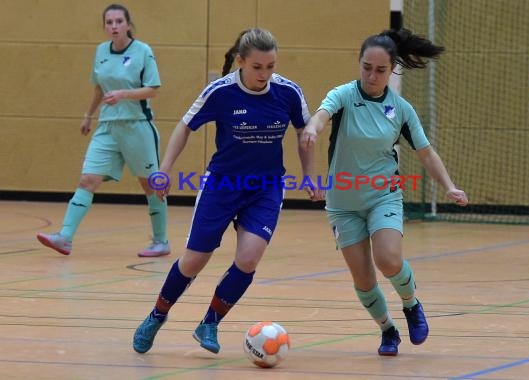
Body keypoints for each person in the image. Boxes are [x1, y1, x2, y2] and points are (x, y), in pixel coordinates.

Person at [132, 28, 317, 355]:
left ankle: (210, 322)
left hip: (265, 188)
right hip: (222, 185)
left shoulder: (288, 93)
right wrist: (165, 168)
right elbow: (184, 127)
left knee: (248, 258)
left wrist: (308, 176)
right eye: (257, 67)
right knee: (193, 261)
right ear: (241, 62)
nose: (264, 74)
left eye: (270, 66)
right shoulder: (220, 92)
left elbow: (305, 133)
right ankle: (157, 315)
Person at [301, 29, 469, 356]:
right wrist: (311, 128)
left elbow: (426, 153)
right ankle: (387, 330)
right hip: (343, 203)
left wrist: (448, 186)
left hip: (383, 195)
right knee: (363, 280)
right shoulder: (345, 95)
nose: (372, 75)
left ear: (392, 69)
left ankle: (411, 304)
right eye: (366, 67)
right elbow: (322, 115)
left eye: (380, 70)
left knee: (388, 259)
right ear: (359, 64)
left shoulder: (401, 109)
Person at [36, 4, 170, 258]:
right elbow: (98, 87)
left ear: (128, 24)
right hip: (107, 127)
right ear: (105, 26)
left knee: (150, 185)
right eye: (109, 22)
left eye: (119, 21)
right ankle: (64, 237)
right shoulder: (100, 51)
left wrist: (124, 94)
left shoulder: (143, 52)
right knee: (88, 179)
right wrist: (88, 115)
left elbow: (153, 89)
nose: (114, 26)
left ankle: (161, 241)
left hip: (137, 125)